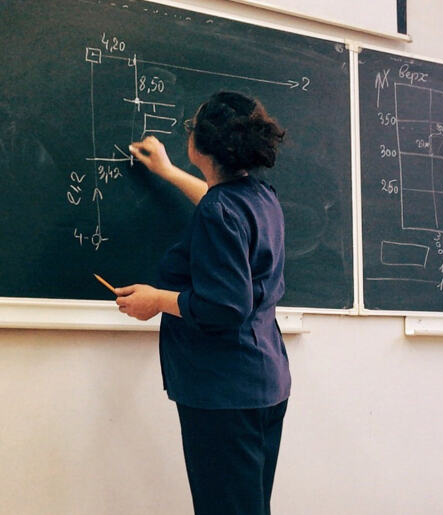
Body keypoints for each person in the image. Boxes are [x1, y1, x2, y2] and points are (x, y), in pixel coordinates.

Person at [115, 91, 291, 515]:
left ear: (202, 145)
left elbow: (224, 307)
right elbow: (217, 202)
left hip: (223, 390)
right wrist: (168, 172)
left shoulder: (221, 209)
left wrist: (156, 300)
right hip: (262, 379)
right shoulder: (258, 195)